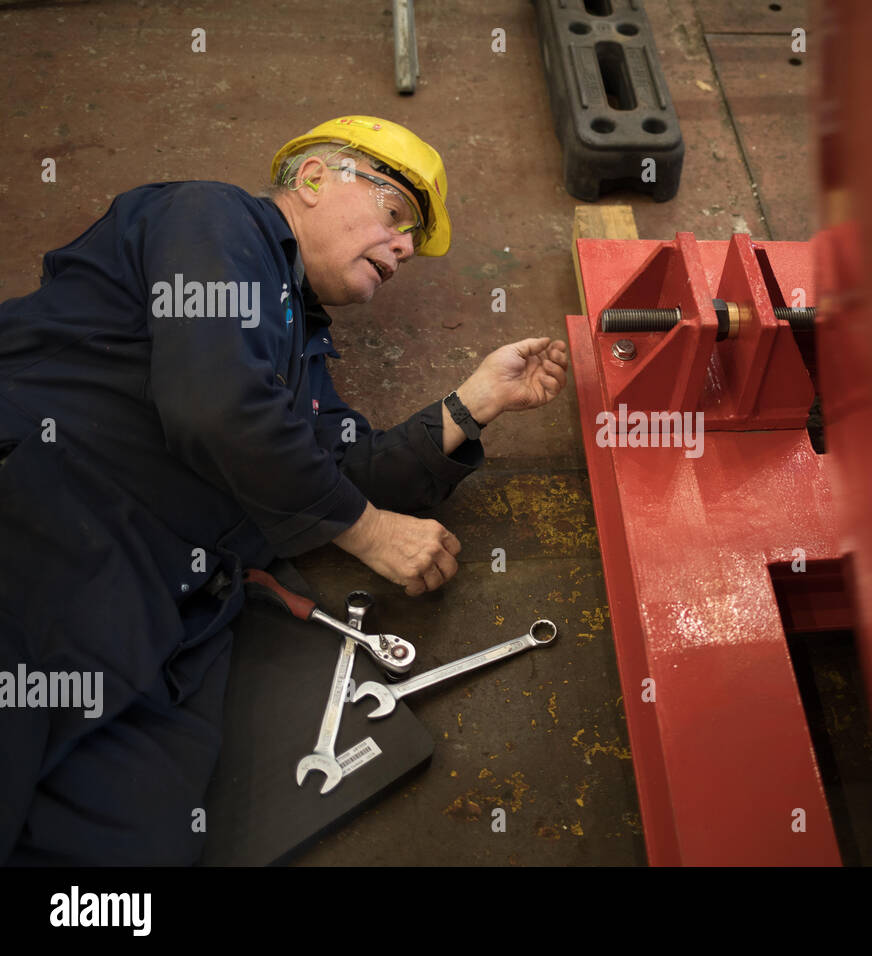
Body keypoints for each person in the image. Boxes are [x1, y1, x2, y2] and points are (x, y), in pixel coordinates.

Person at [0, 115, 568, 864]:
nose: (403, 250)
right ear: (312, 180)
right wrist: (366, 532)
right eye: (396, 215)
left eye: (410, 242)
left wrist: (472, 404)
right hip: (44, 514)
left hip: (166, 618)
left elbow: (338, 473)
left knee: (135, 848)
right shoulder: (210, 220)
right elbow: (216, 406)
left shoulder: (301, 351)